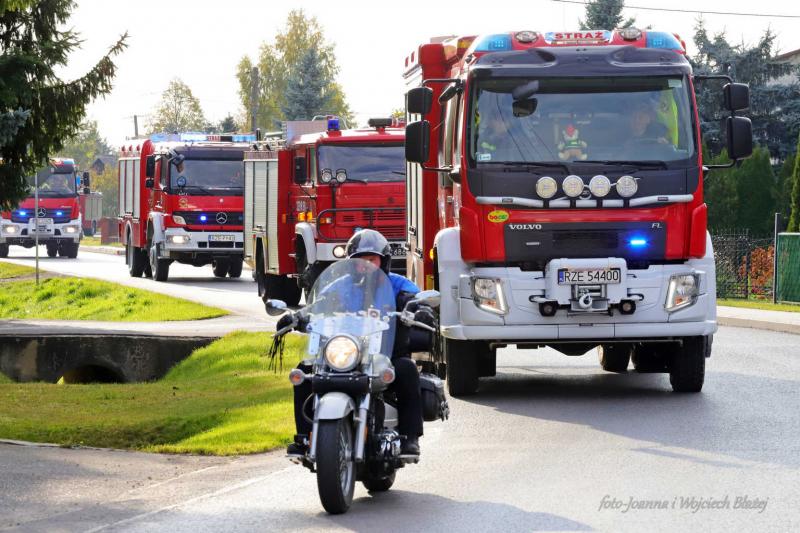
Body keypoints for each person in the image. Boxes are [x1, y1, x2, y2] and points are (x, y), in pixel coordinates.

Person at [282, 229, 432, 457]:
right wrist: (297, 317)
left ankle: (410, 437)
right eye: (360, 260)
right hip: (344, 353)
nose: (366, 265)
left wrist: (421, 310)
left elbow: (416, 301)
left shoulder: (398, 284)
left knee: (407, 369)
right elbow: (318, 306)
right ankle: (305, 437)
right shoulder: (339, 286)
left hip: (385, 354)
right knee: (304, 372)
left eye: (371, 259)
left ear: (384, 261)